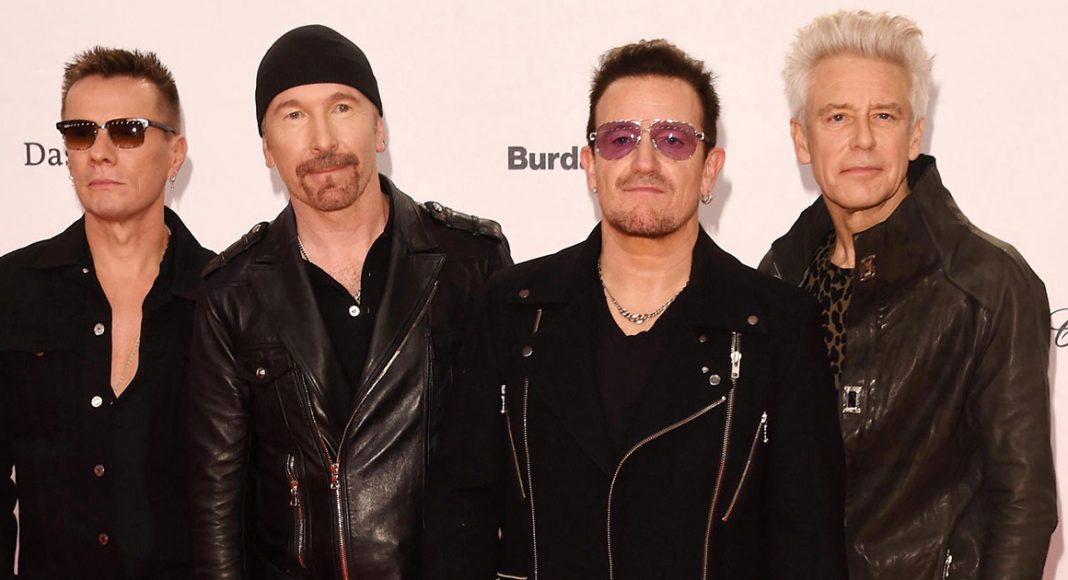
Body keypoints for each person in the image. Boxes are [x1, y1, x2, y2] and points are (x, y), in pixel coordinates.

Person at [428, 39, 846, 580]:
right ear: (590, 165)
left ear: (710, 169)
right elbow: (458, 523)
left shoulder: (778, 325)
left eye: (673, 139)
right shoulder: (511, 310)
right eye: (619, 138)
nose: (644, 161)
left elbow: (809, 546)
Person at [186, 24, 511, 579]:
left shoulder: (469, 262)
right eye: (293, 115)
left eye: (341, 107)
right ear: (266, 147)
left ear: (379, 129)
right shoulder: (231, 292)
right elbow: (215, 504)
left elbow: (514, 464)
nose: (322, 140)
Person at [760, 10, 1057, 579]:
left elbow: (1024, 504)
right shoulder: (779, 278)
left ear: (914, 134)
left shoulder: (986, 283)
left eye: (884, 115)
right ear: (802, 138)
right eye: (838, 116)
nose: (862, 139)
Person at [0, 47, 212, 578]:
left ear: (175, 154)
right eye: (80, 133)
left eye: (127, 131)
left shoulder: (227, 295)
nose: (99, 152)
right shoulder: (11, 290)